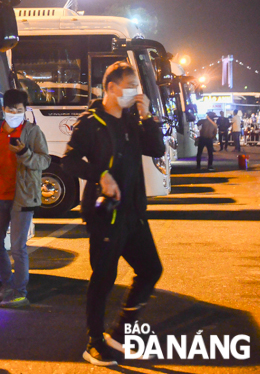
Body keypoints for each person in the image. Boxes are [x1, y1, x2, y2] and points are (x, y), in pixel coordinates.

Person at [62, 61, 165, 367]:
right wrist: (100, 176)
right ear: (110, 88)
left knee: (150, 269)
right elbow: (68, 161)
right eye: (130, 86)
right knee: (104, 279)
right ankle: (94, 343)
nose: (135, 92)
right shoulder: (90, 122)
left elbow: (156, 149)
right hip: (106, 215)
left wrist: (147, 117)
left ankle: (120, 335)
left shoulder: (133, 119)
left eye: (137, 87)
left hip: (134, 214)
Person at [0, 89, 50, 308]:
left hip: (23, 197)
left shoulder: (33, 132)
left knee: (18, 248)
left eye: (19, 110)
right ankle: (8, 285)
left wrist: (24, 153)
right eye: (11, 110)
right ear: (3, 110)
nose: (15, 113)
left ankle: (20, 293)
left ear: (25, 110)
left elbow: (44, 161)